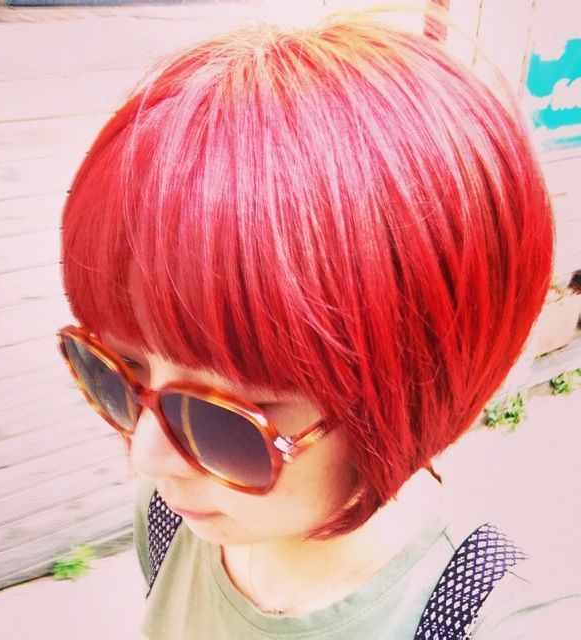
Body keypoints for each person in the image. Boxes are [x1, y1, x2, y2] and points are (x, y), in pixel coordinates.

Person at [57, 10, 577, 639]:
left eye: (222, 421)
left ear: (408, 397)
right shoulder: (174, 522)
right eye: (117, 375)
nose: (147, 457)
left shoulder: (495, 620)